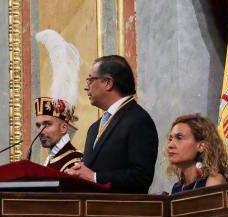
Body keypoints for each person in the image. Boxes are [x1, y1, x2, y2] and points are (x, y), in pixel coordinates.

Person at [64, 55, 158, 192]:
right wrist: (78, 173)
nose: (86, 87)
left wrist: (95, 177)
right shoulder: (94, 128)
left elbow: (141, 177)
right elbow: (91, 171)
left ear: (108, 83)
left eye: (90, 79)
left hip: (121, 210)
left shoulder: (138, 120)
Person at [34, 29, 83, 172]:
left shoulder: (75, 162)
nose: (40, 131)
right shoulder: (51, 159)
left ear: (64, 127)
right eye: (38, 125)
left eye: (47, 124)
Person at [165, 114, 228, 193]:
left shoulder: (213, 182)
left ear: (201, 146)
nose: (170, 145)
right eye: (170, 139)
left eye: (179, 138)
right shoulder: (177, 187)